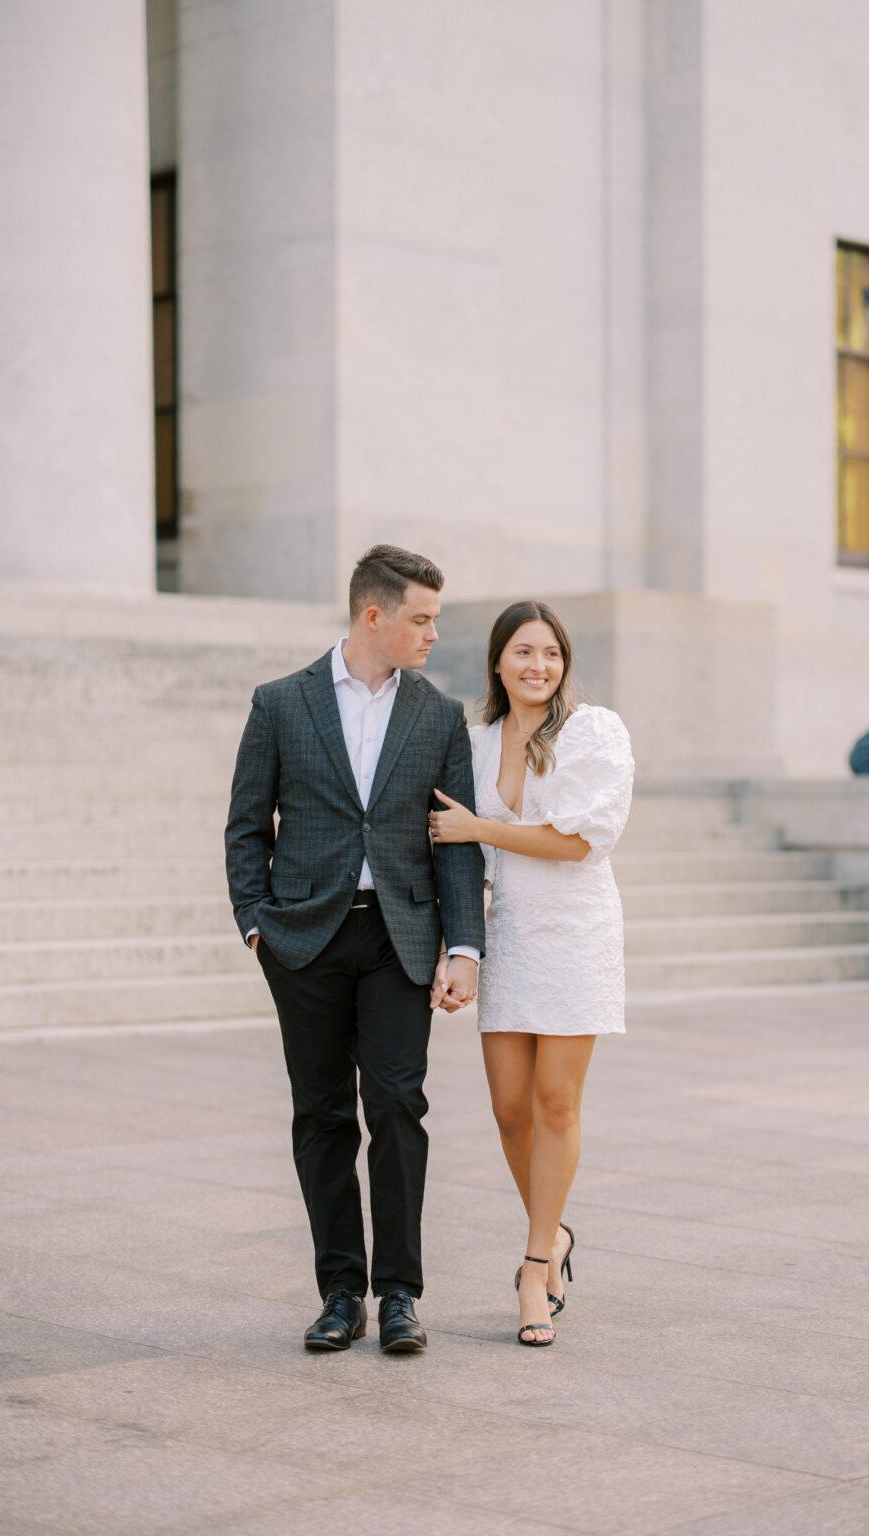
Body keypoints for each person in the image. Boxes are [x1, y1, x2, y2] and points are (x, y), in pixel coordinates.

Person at [225, 545, 485, 1355]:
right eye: (421, 618)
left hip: (399, 936)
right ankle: (340, 1292)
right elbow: (245, 825)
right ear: (373, 615)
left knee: (398, 1104)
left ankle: (400, 1293)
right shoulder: (280, 703)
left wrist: (464, 945)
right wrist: (256, 923)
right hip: (303, 937)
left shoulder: (438, 716)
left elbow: (452, 841)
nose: (432, 634)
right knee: (323, 1113)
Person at [428, 600, 634, 1346]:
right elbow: (452, 848)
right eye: (523, 652)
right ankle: (558, 1234)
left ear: (565, 661)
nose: (538, 666)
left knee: (553, 1103)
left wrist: (480, 827)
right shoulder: (476, 741)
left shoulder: (594, 731)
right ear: (497, 661)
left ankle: (533, 1264)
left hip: (575, 932)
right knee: (509, 1108)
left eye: (550, 653)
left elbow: (582, 841)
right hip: (508, 931)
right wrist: (456, 948)